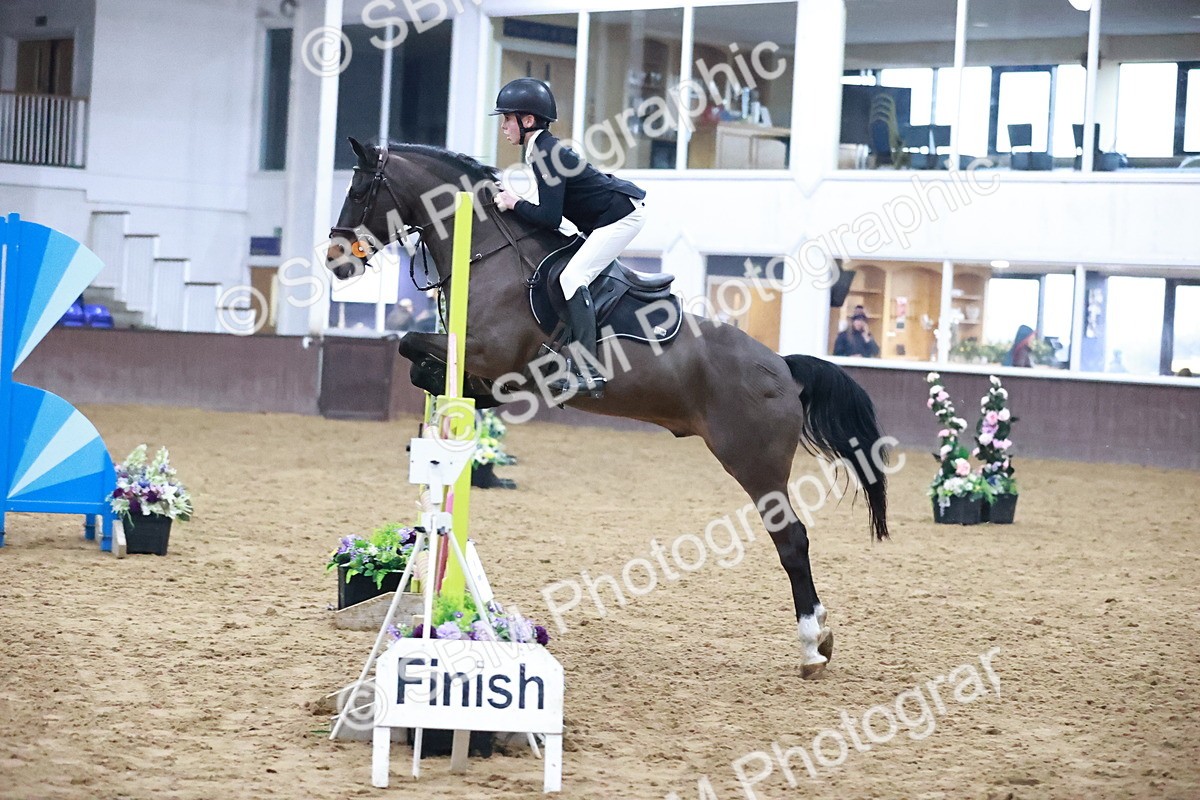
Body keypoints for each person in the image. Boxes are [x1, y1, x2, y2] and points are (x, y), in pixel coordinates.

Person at [491, 77, 647, 398]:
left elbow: (549, 217)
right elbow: (554, 215)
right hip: (604, 218)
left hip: (622, 217)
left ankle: (590, 372)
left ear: (528, 120)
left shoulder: (546, 153)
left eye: (507, 118)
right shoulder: (540, 150)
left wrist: (514, 203)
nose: (504, 126)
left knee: (573, 277)